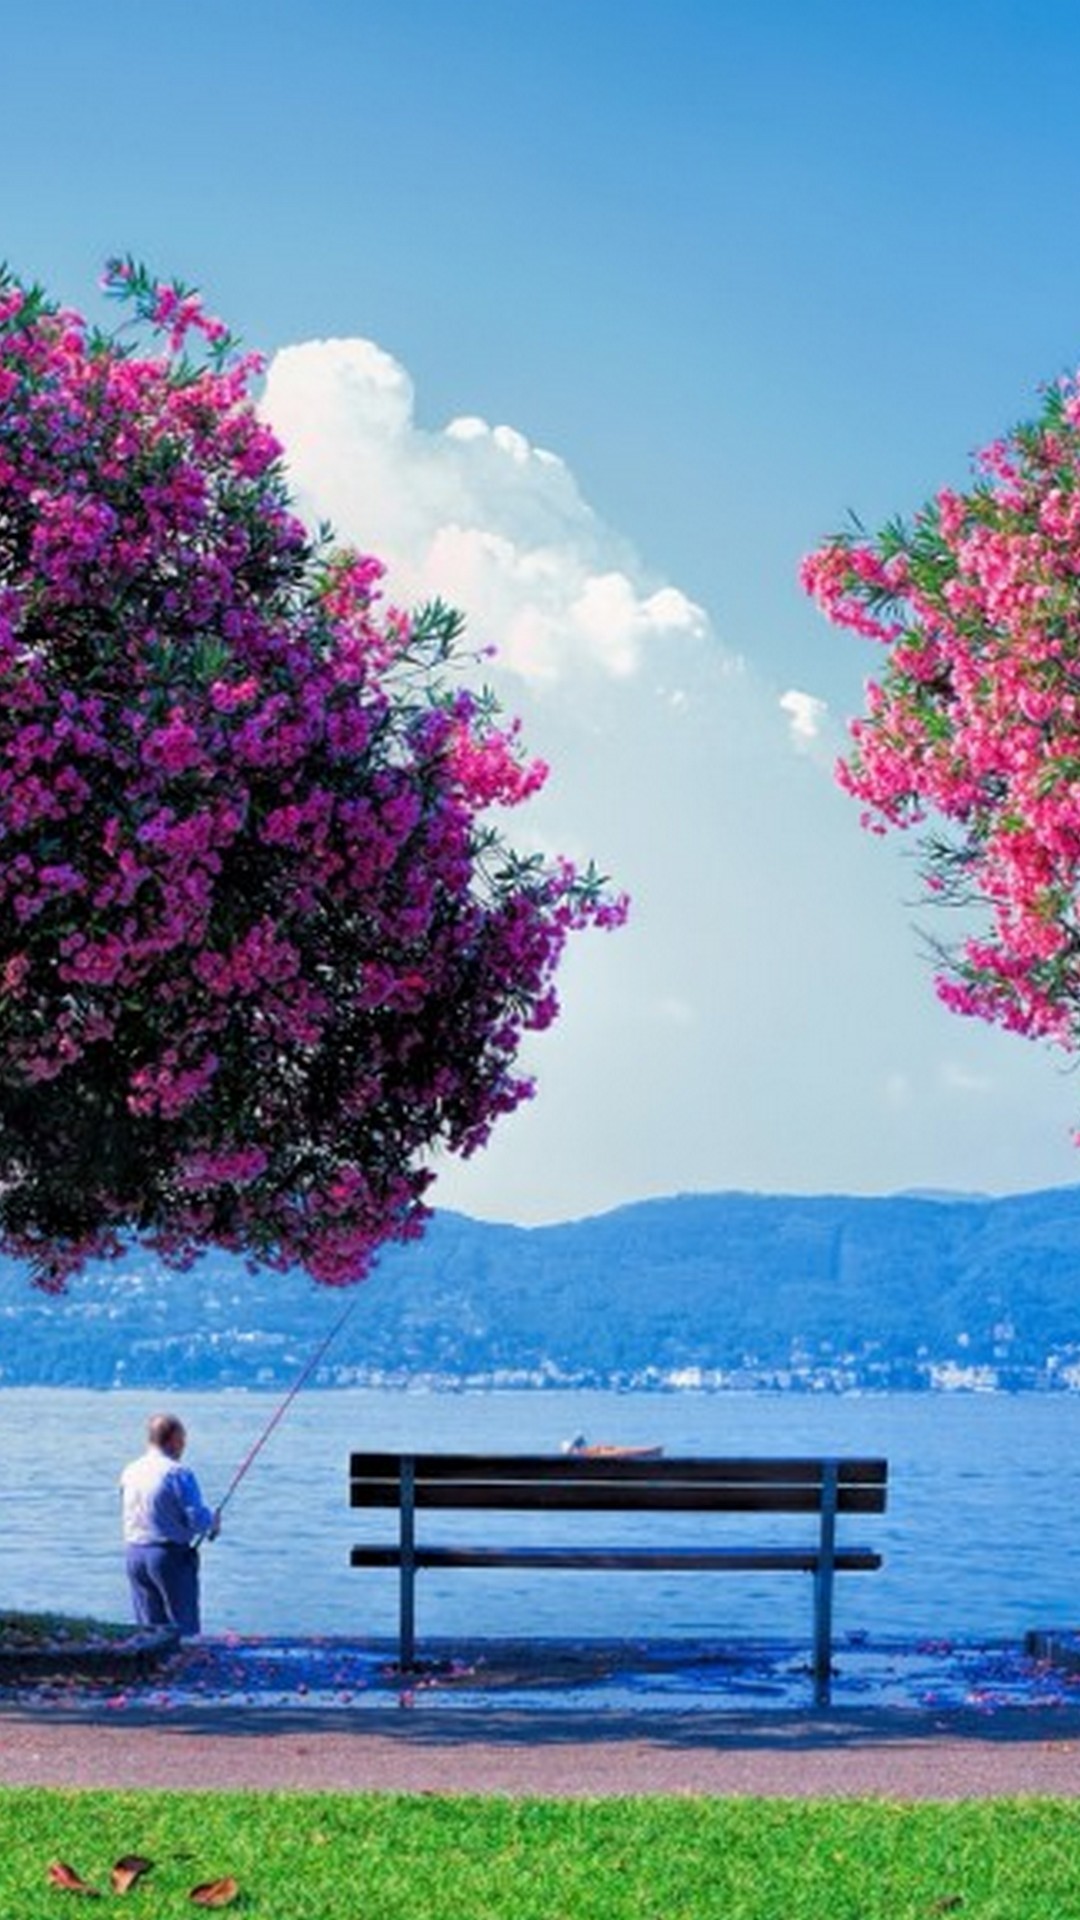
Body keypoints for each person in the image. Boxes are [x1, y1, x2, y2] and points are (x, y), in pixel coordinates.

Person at [120, 1412, 221, 1637]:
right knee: (183, 1630)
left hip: (134, 1553)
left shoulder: (130, 1470)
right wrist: (213, 1522)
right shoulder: (178, 1473)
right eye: (183, 1440)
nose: (184, 1446)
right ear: (174, 1439)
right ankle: (186, 1670)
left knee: (149, 1632)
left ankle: (151, 1670)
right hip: (168, 1556)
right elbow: (196, 1520)